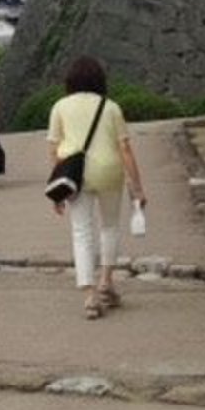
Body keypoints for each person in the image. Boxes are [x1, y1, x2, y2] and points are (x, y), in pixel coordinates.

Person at [46, 55, 147, 319]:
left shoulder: (60, 106)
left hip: (75, 175)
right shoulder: (111, 107)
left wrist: (58, 190)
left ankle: (89, 297)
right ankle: (106, 282)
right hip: (109, 171)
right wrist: (137, 188)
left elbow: (54, 150)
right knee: (110, 226)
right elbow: (125, 148)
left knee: (81, 232)